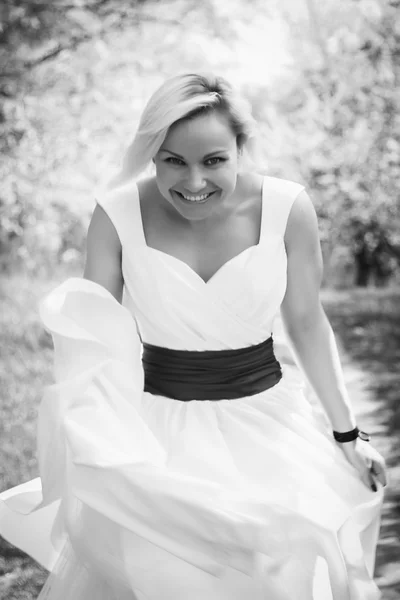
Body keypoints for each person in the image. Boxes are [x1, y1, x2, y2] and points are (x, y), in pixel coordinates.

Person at [0, 72, 388, 600]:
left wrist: (348, 436)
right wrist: (95, 431)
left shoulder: (286, 208)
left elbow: (306, 322)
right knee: (165, 576)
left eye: (214, 161)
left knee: (288, 559)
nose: (194, 181)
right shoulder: (117, 215)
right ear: (152, 155)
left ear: (240, 150)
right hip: (160, 430)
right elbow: (93, 336)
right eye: (173, 160)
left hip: (269, 424)